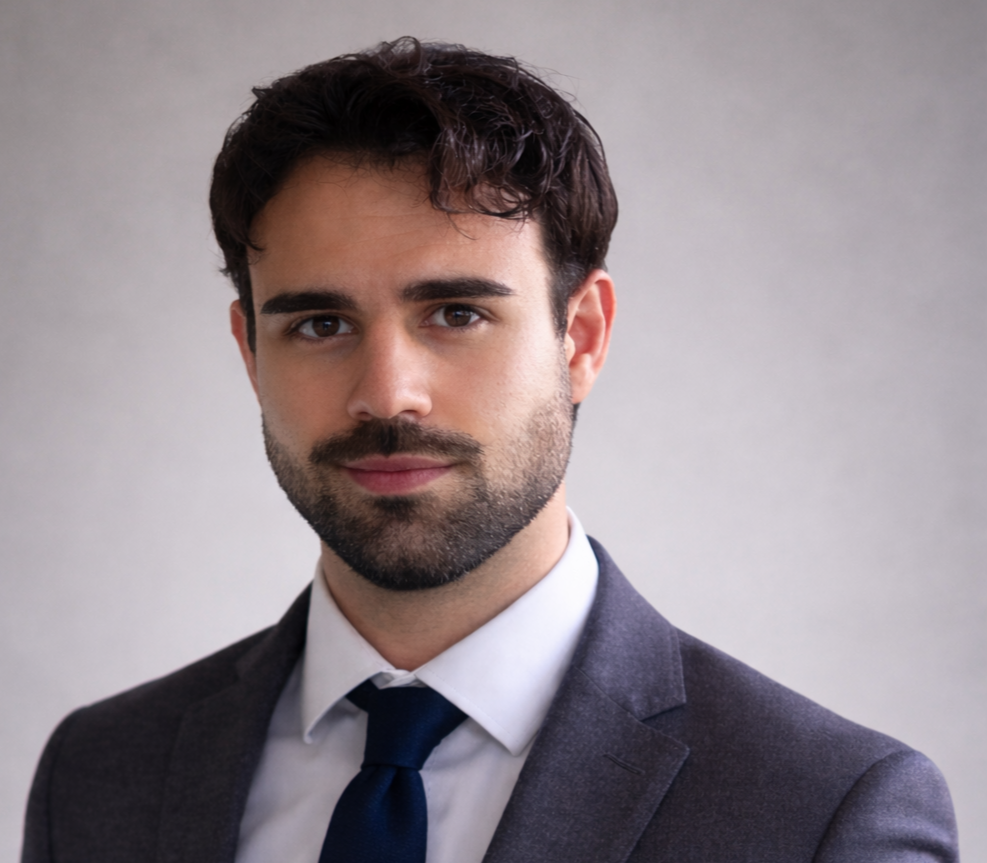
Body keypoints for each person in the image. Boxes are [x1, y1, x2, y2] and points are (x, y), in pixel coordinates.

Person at [21, 37, 958, 863]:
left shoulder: (823, 815)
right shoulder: (99, 775)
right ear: (249, 353)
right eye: (319, 324)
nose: (387, 393)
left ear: (580, 337)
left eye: (457, 313)